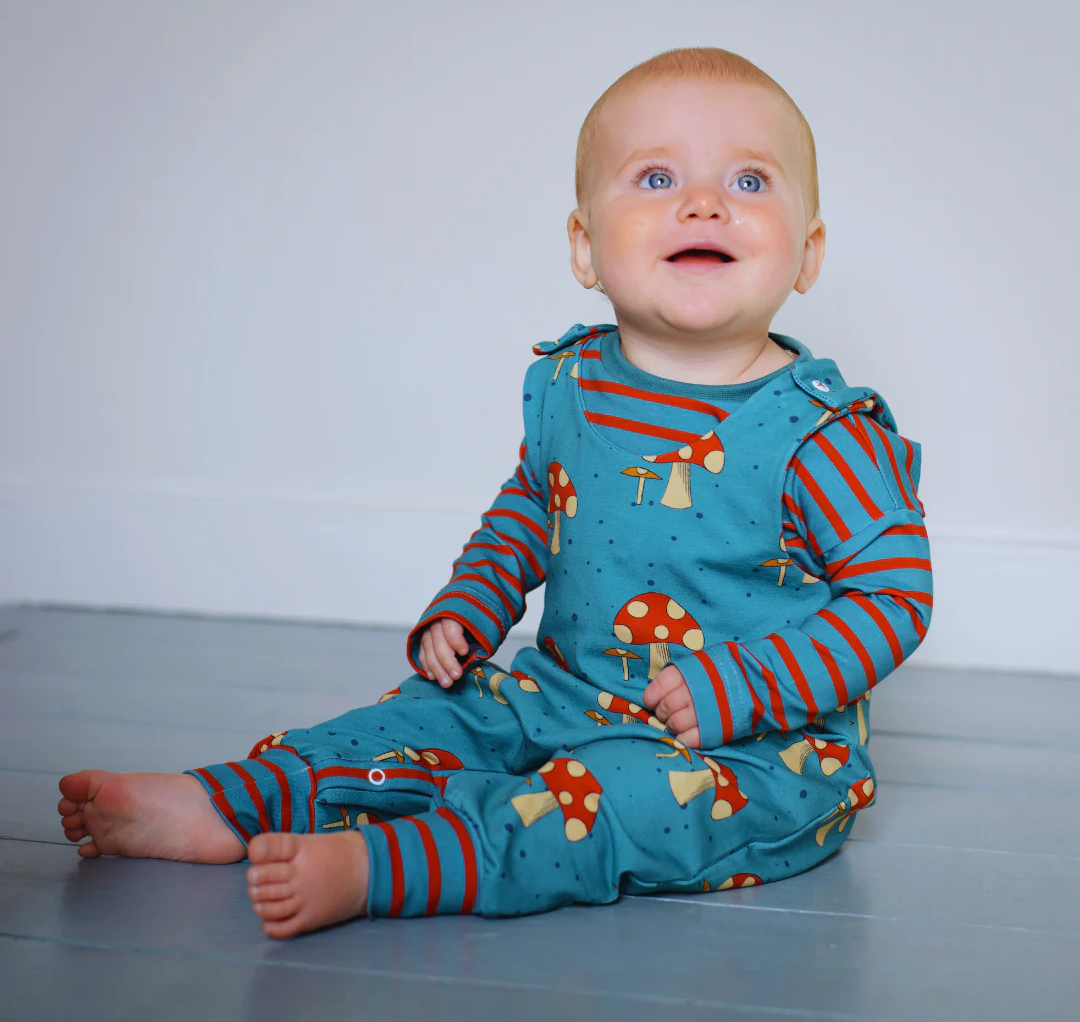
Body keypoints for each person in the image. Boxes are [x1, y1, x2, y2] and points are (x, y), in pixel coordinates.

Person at [57, 47, 933, 938]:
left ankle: (383, 869)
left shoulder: (822, 432)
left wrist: (742, 688)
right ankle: (232, 802)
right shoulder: (574, 383)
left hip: (747, 748)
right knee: (426, 719)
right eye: (657, 176)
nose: (702, 202)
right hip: (561, 694)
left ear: (808, 252)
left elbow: (894, 599)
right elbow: (530, 508)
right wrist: (472, 604)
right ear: (585, 247)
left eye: (749, 180)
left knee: (611, 808)